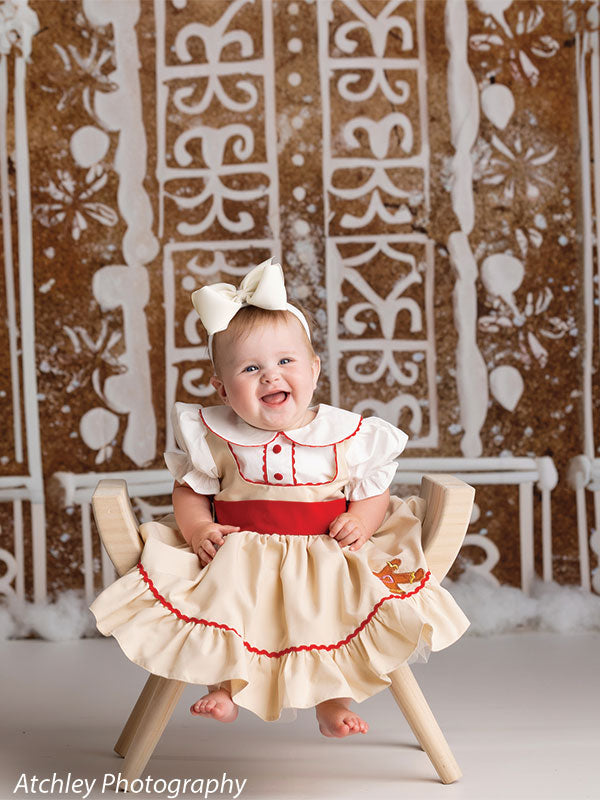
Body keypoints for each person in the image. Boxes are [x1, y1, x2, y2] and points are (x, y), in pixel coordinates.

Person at [90, 258, 469, 738]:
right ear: (224, 390)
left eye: (286, 362)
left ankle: (333, 699)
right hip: (242, 548)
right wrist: (199, 529)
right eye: (251, 368)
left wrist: (363, 522)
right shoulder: (215, 436)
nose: (271, 376)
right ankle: (227, 686)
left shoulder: (345, 435)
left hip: (324, 548)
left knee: (333, 607)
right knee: (226, 600)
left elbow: (373, 491)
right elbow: (190, 492)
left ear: (313, 369)